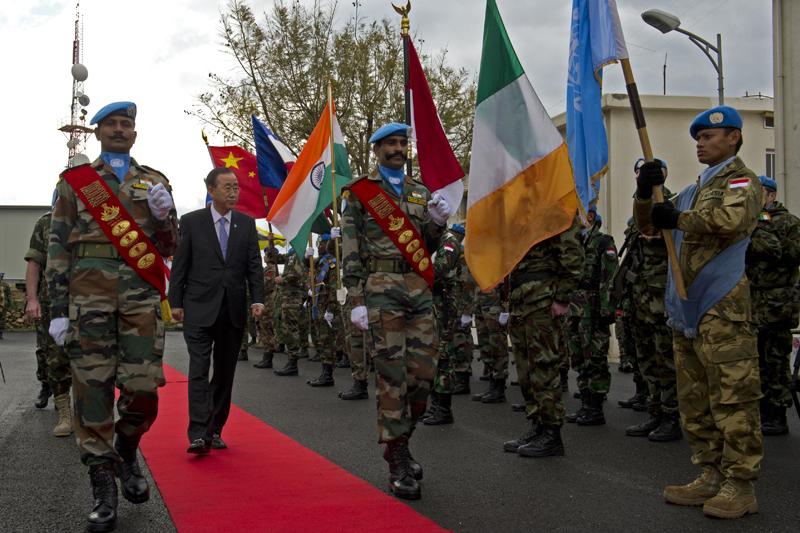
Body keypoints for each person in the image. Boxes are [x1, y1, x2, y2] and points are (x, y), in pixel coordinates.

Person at [47, 101, 178, 532]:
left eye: (126, 124)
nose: (120, 130)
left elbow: (169, 247)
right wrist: (57, 309)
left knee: (144, 391)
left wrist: (164, 218)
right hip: (89, 300)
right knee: (92, 393)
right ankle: (103, 489)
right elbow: (57, 248)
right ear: (98, 132)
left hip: (140, 300)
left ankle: (126, 445)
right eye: (112, 124)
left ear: (135, 134)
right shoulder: (76, 183)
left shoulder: (155, 182)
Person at [635, 105, 763, 519]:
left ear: (733, 138)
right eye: (698, 139)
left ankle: (740, 484)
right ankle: (709, 472)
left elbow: (731, 219)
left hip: (722, 306)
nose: (700, 144)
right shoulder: (693, 190)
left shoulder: (741, 180)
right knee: (695, 398)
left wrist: (677, 218)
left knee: (733, 396)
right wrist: (645, 192)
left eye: (709, 136)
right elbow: (650, 227)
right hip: (688, 307)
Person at [341, 122, 451, 500]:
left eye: (403, 142)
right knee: (392, 377)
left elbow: (426, 248)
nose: (399, 148)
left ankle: (399, 441)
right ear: (377, 149)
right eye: (391, 143)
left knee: (423, 376)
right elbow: (351, 249)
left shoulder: (421, 192)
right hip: (380, 291)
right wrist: (356, 299)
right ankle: (398, 459)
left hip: (418, 291)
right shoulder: (361, 192)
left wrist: (437, 224)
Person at [168, 167, 265, 454]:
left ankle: (215, 429)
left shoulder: (246, 224)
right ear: (211, 190)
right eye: (227, 187)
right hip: (198, 307)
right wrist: (175, 302)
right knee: (198, 370)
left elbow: (254, 266)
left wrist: (257, 298)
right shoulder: (191, 222)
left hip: (232, 309)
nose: (233, 192)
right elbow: (180, 264)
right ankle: (198, 433)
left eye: (236, 187)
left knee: (224, 373)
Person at [502, 215, 583, 457]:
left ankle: (551, 432)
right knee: (526, 369)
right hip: (521, 297)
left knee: (543, 366)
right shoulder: (523, 208)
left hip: (542, 298)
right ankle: (538, 425)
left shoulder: (555, 205)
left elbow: (573, 255)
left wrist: (562, 297)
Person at [624, 160, 682, 442]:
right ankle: (655, 411)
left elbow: (654, 228)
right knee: (646, 358)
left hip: (662, 297)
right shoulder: (641, 204)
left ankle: (672, 416)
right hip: (641, 297)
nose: (640, 177)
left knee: (665, 359)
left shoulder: (667, 204)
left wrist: (648, 196)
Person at [745, 175, 800, 436]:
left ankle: (777, 414)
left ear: (771, 195)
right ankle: (760, 410)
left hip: (778, 304)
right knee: (755, 361)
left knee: (775, 360)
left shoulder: (789, 222)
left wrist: (764, 231)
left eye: (760, 193)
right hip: (752, 303)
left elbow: (792, 254)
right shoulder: (749, 222)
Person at [565, 207, 616, 426]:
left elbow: (610, 278)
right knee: (578, 357)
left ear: (591, 216)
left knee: (595, 357)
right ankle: (585, 404)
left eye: (578, 213)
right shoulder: (574, 242)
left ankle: (596, 408)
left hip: (593, 308)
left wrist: (606, 310)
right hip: (574, 308)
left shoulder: (604, 242)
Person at [24, 210, 73, 435]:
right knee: (52, 354)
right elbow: (34, 263)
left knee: (89, 357)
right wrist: (32, 299)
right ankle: (62, 408)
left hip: (89, 298)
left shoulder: (95, 216)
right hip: (52, 300)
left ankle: (86, 412)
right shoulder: (46, 222)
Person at [307, 234, 344, 387]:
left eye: (322, 244)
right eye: (318, 244)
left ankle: (328, 374)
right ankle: (324, 372)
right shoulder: (320, 262)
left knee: (327, 341)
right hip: (318, 306)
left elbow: (335, 288)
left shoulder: (332, 263)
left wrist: (331, 309)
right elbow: (314, 277)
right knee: (322, 340)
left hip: (327, 307)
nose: (319, 246)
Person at [273, 248, 310, 376]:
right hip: (287, 297)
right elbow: (276, 258)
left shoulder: (298, 254)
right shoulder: (291, 254)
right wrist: (271, 244)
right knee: (287, 328)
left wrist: (282, 278)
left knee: (291, 328)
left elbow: (297, 274)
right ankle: (291, 361)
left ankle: (293, 362)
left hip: (293, 297)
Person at [254, 245, 281, 369]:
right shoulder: (268, 269)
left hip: (268, 303)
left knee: (267, 329)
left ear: (269, 256)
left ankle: (268, 358)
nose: (264, 257)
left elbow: (266, 285)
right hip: (265, 302)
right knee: (264, 329)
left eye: (265, 255)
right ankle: (266, 357)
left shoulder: (271, 269)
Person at [0, 272, 13, 340]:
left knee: (2, 319)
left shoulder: (5, 285)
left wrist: (9, 304)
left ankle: (0, 333)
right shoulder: (5, 285)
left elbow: (9, 295)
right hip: (3, 304)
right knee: (2, 319)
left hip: (3, 305)